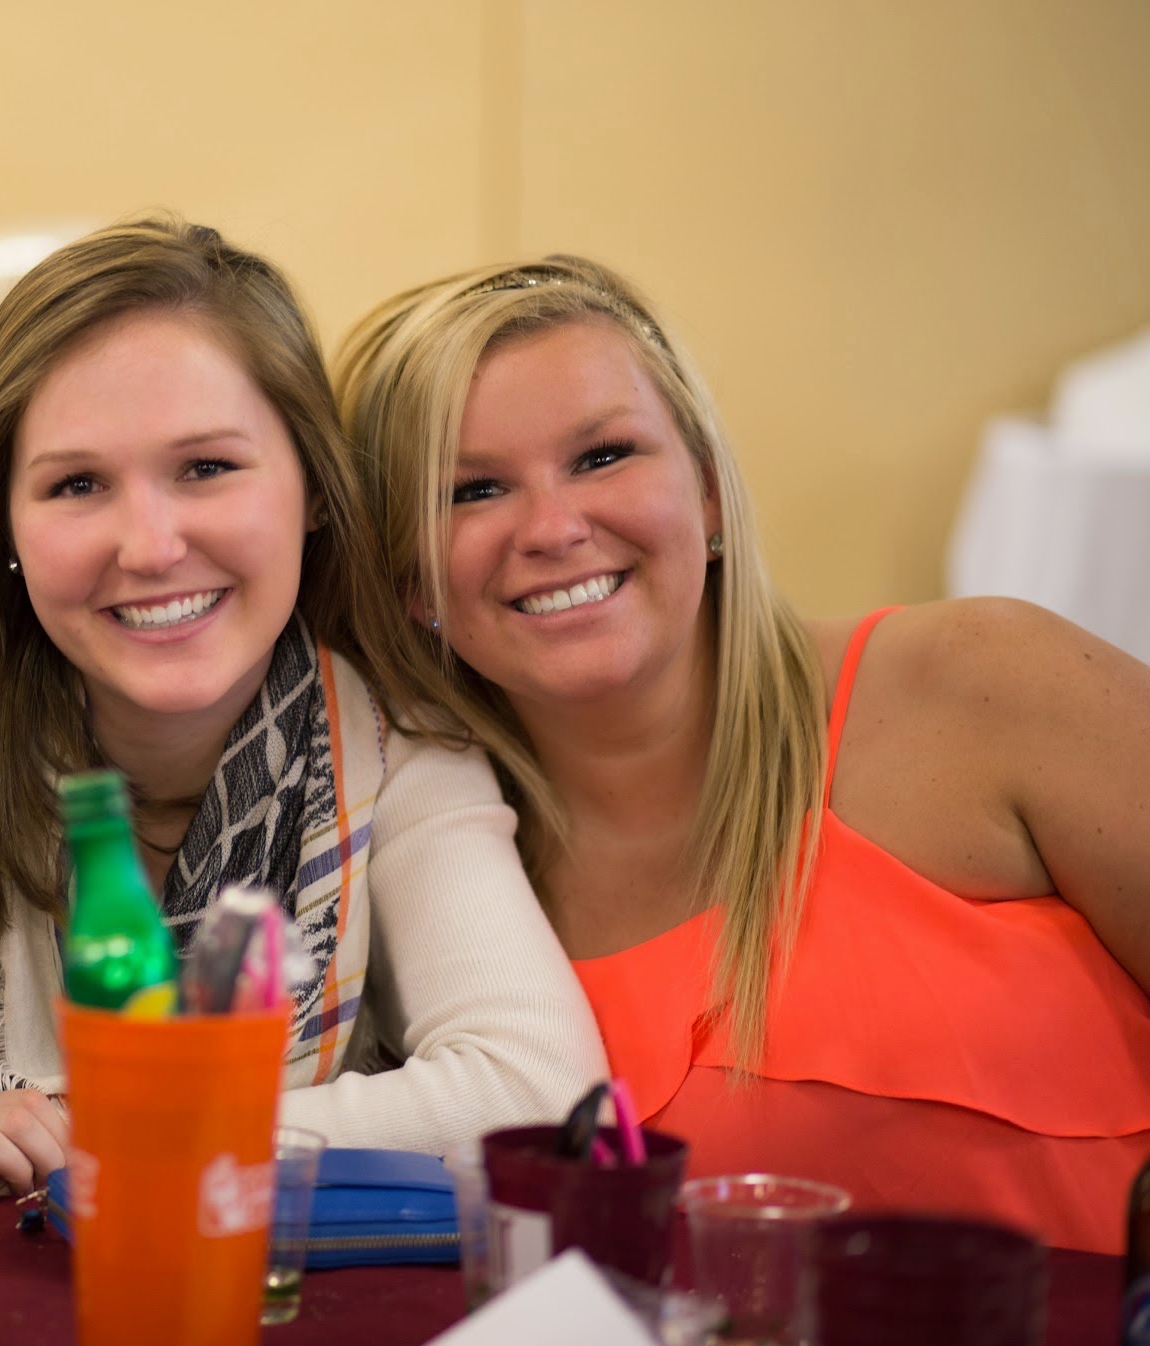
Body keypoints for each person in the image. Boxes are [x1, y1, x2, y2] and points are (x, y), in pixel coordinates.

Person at [0, 217, 605, 1195]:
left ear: (315, 488)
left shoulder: (398, 753)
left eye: (206, 468)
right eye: (77, 484)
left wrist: (110, 1128)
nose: (148, 546)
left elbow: (542, 1095)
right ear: (0, 525)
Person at [334, 254, 1150, 1252]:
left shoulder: (985, 681)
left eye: (602, 456)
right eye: (473, 489)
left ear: (710, 493)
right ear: (410, 580)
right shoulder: (437, 888)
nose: (552, 527)